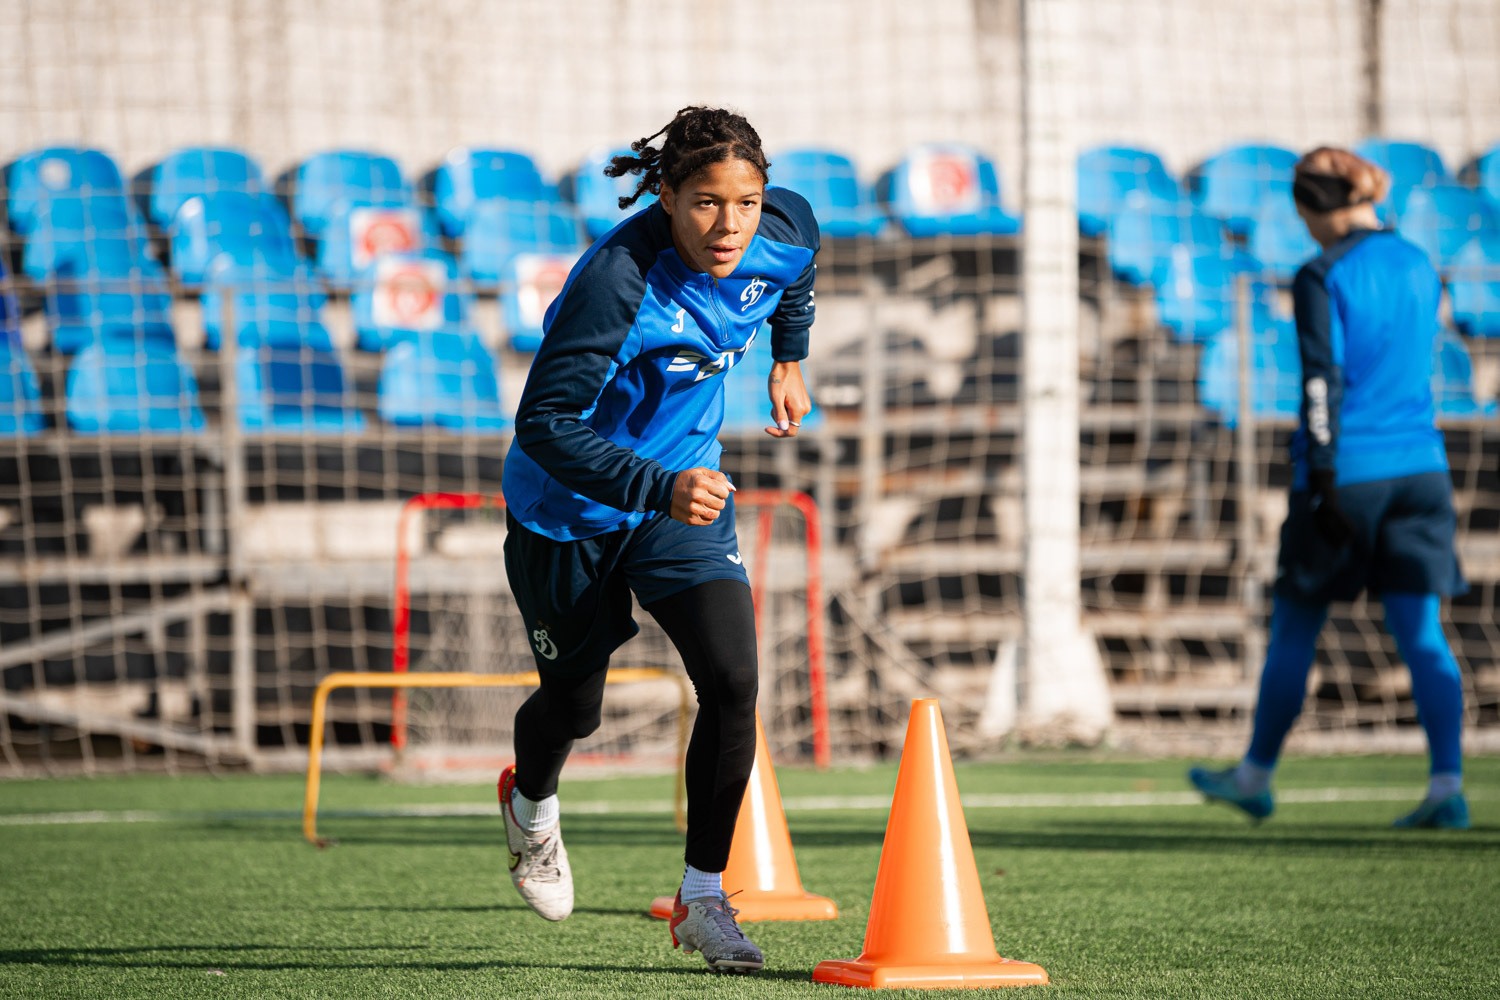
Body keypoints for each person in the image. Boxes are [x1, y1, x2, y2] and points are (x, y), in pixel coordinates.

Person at [494, 106, 819, 971]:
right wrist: (656, 486)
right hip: (569, 511)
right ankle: (530, 804)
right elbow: (545, 425)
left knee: (734, 680)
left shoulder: (777, 230)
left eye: (745, 203)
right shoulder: (617, 283)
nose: (731, 225)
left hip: (682, 506)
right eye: (707, 203)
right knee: (575, 706)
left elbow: (802, 256)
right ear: (667, 196)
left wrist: (790, 357)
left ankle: (705, 899)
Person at [1189, 147, 1469, 830]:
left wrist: (1321, 473)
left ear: (1316, 208)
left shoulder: (1323, 273)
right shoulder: (1418, 262)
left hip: (1350, 471)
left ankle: (1254, 776)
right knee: (1423, 634)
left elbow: (1322, 380)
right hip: (1424, 471)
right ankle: (1447, 788)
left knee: (1295, 625)